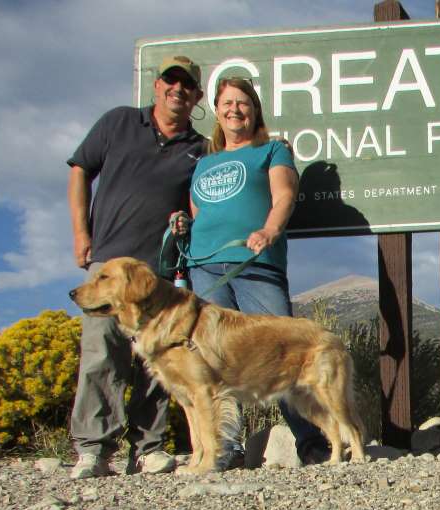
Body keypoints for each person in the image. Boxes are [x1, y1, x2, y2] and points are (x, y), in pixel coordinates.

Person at [66, 56, 206, 478]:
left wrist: (189, 223)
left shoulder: (199, 148)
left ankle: (149, 447)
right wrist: (80, 232)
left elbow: (202, 204)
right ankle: (94, 449)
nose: (177, 89)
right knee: (101, 355)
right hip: (109, 265)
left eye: (186, 85)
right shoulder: (118, 123)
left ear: (197, 96)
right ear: (156, 85)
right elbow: (79, 171)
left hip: (162, 273)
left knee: (158, 359)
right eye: (170, 80)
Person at [186, 76, 327, 470]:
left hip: (256, 263)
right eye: (228, 102)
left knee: (285, 352)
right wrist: (183, 227)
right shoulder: (204, 163)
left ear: (255, 110)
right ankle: (224, 450)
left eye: (243, 102)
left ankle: (313, 442)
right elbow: (199, 213)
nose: (235, 109)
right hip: (205, 267)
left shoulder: (270, 151)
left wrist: (269, 229)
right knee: (215, 360)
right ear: (217, 110)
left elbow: (284, 195)